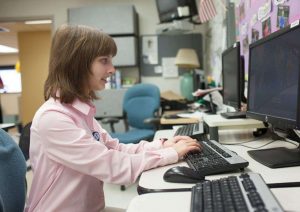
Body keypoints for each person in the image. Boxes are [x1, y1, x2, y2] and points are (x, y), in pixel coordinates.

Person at [25, 24, 201, 212]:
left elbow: (115, 148)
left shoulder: (79, 111)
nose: (112, 69)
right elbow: (114, 167)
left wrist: (161, 145)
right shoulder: (53, 119)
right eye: (104, 61)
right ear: (77, 63)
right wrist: (172, 154)